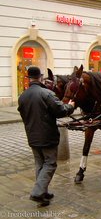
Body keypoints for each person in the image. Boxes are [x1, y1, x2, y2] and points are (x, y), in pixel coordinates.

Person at [18, 66, 75, 207]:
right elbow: (60, 110)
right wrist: (71, 106)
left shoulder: (22, 96)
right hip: (47, 137)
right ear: (40, 78)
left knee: (39, 164)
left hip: (32, 136)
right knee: (50, 163)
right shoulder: (46, 93)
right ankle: (38, 192)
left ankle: (43, 192)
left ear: (29, 79)